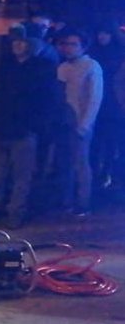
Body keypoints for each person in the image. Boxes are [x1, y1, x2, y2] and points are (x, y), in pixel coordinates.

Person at [0, 24, 60, 228]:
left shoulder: (42, 68)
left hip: (25, 130)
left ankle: (16, 213)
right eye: (15, 41)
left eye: (22, 41)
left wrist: (35, 126)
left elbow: (47, 101)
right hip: (1, 125)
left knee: (21, 176)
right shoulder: (5, 65)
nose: (16, 45)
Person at [55, 28, 103, 216]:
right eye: (66, 44)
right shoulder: (63, 67)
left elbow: (94, 98)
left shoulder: (91, 66)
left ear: (83, 46)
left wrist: (85, 124)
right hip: (63, 121)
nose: (69, 48)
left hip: (80, 122)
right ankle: (66, 200)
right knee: (64, 163)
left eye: (73, 44)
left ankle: (83, 203)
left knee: (81, 163)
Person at [88, 25, 123, 190]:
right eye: (99, 32)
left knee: (113, 143)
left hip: (114, 104)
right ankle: (97, 176)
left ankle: (111, 176)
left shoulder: (119, 53)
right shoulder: (93, 54)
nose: (102, 36)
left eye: (105, 32)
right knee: (96, 143)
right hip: (99, 102)